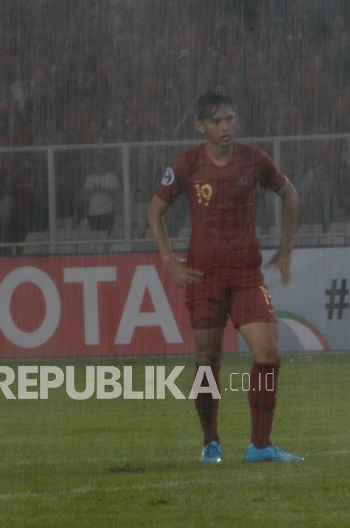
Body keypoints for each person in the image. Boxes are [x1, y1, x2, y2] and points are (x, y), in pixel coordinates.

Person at [147, 91, 303, 464]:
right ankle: (210, 441)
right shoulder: (186, 164)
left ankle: (260, 446)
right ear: (201, 126)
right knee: (207, 359)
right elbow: (155, 210)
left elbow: (289, 193)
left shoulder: (253, 160)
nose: (226, 126)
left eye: (230, 118)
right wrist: (168, 259)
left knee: (269, 354)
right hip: (204, 277)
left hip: (247, 275)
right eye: (217, 121)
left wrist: (285, 248)